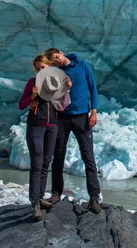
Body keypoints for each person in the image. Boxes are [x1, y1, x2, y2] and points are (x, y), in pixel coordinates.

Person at [43, 48, 101, 214]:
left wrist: (94, 110)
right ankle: (55, 193)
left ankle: (94, 197)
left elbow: (92, 88)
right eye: (53, 62)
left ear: (61, 53)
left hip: (82, 117)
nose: (57, 62)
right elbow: (52, 95)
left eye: (56, 58)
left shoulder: (82, 66)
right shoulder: (56, 73)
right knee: (58, 155)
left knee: (88, 156)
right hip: (62, 118)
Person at [18, 54, 71, 221]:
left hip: (52, 126)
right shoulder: (31, 83)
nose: (40, 70)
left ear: (50, 68)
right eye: (38, 68)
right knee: (37, 163)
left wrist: (67, 88)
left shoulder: (55, 84)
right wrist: (31, 98)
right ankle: (35, 203)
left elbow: (62, 106)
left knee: (45, 163)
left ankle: (40, 199)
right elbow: (21, 104)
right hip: (36, 126)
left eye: (43, 67)